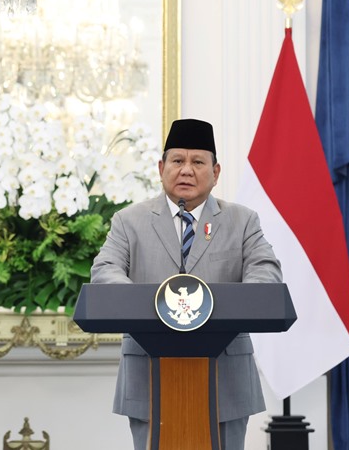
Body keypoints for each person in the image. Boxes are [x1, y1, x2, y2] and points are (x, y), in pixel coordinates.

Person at [90, 118, 282, 450]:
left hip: (226, 380)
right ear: (161, 168)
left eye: (198, 162)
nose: (187, 170)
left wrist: (240, 299)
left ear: (216, 172)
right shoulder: (128, 221)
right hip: (149, 377)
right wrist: (141, 302)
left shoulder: (242, 220)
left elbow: (265, 271)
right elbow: (105, 269)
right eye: (177, 160)